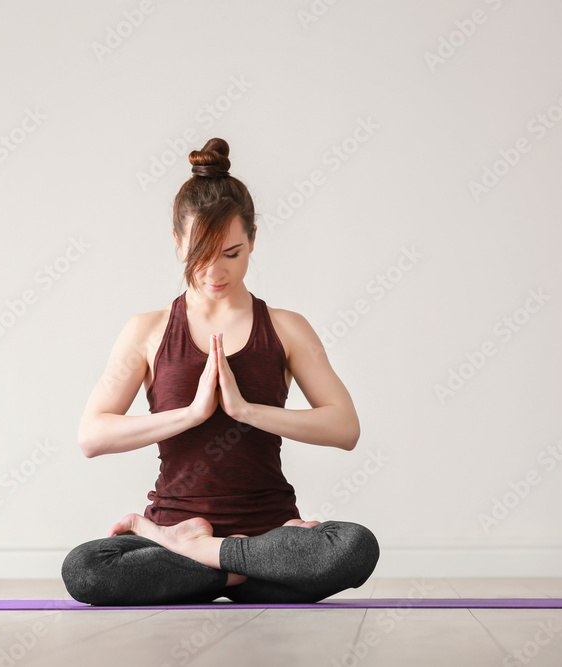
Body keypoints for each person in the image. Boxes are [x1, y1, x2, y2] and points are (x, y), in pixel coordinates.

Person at [61, 138, 379, 605]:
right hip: (194, 530)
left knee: (354, 547)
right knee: (85, 570)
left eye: (232, 252)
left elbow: (344, 428)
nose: (215, 270)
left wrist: (247, 411)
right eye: (199, 252)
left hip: (269, 529)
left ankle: (206, 556)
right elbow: (92, 436)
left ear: (253, 239)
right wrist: (191, 413)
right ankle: (238, 567)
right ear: (176, 242)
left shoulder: (287, 328)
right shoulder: (146, 331)